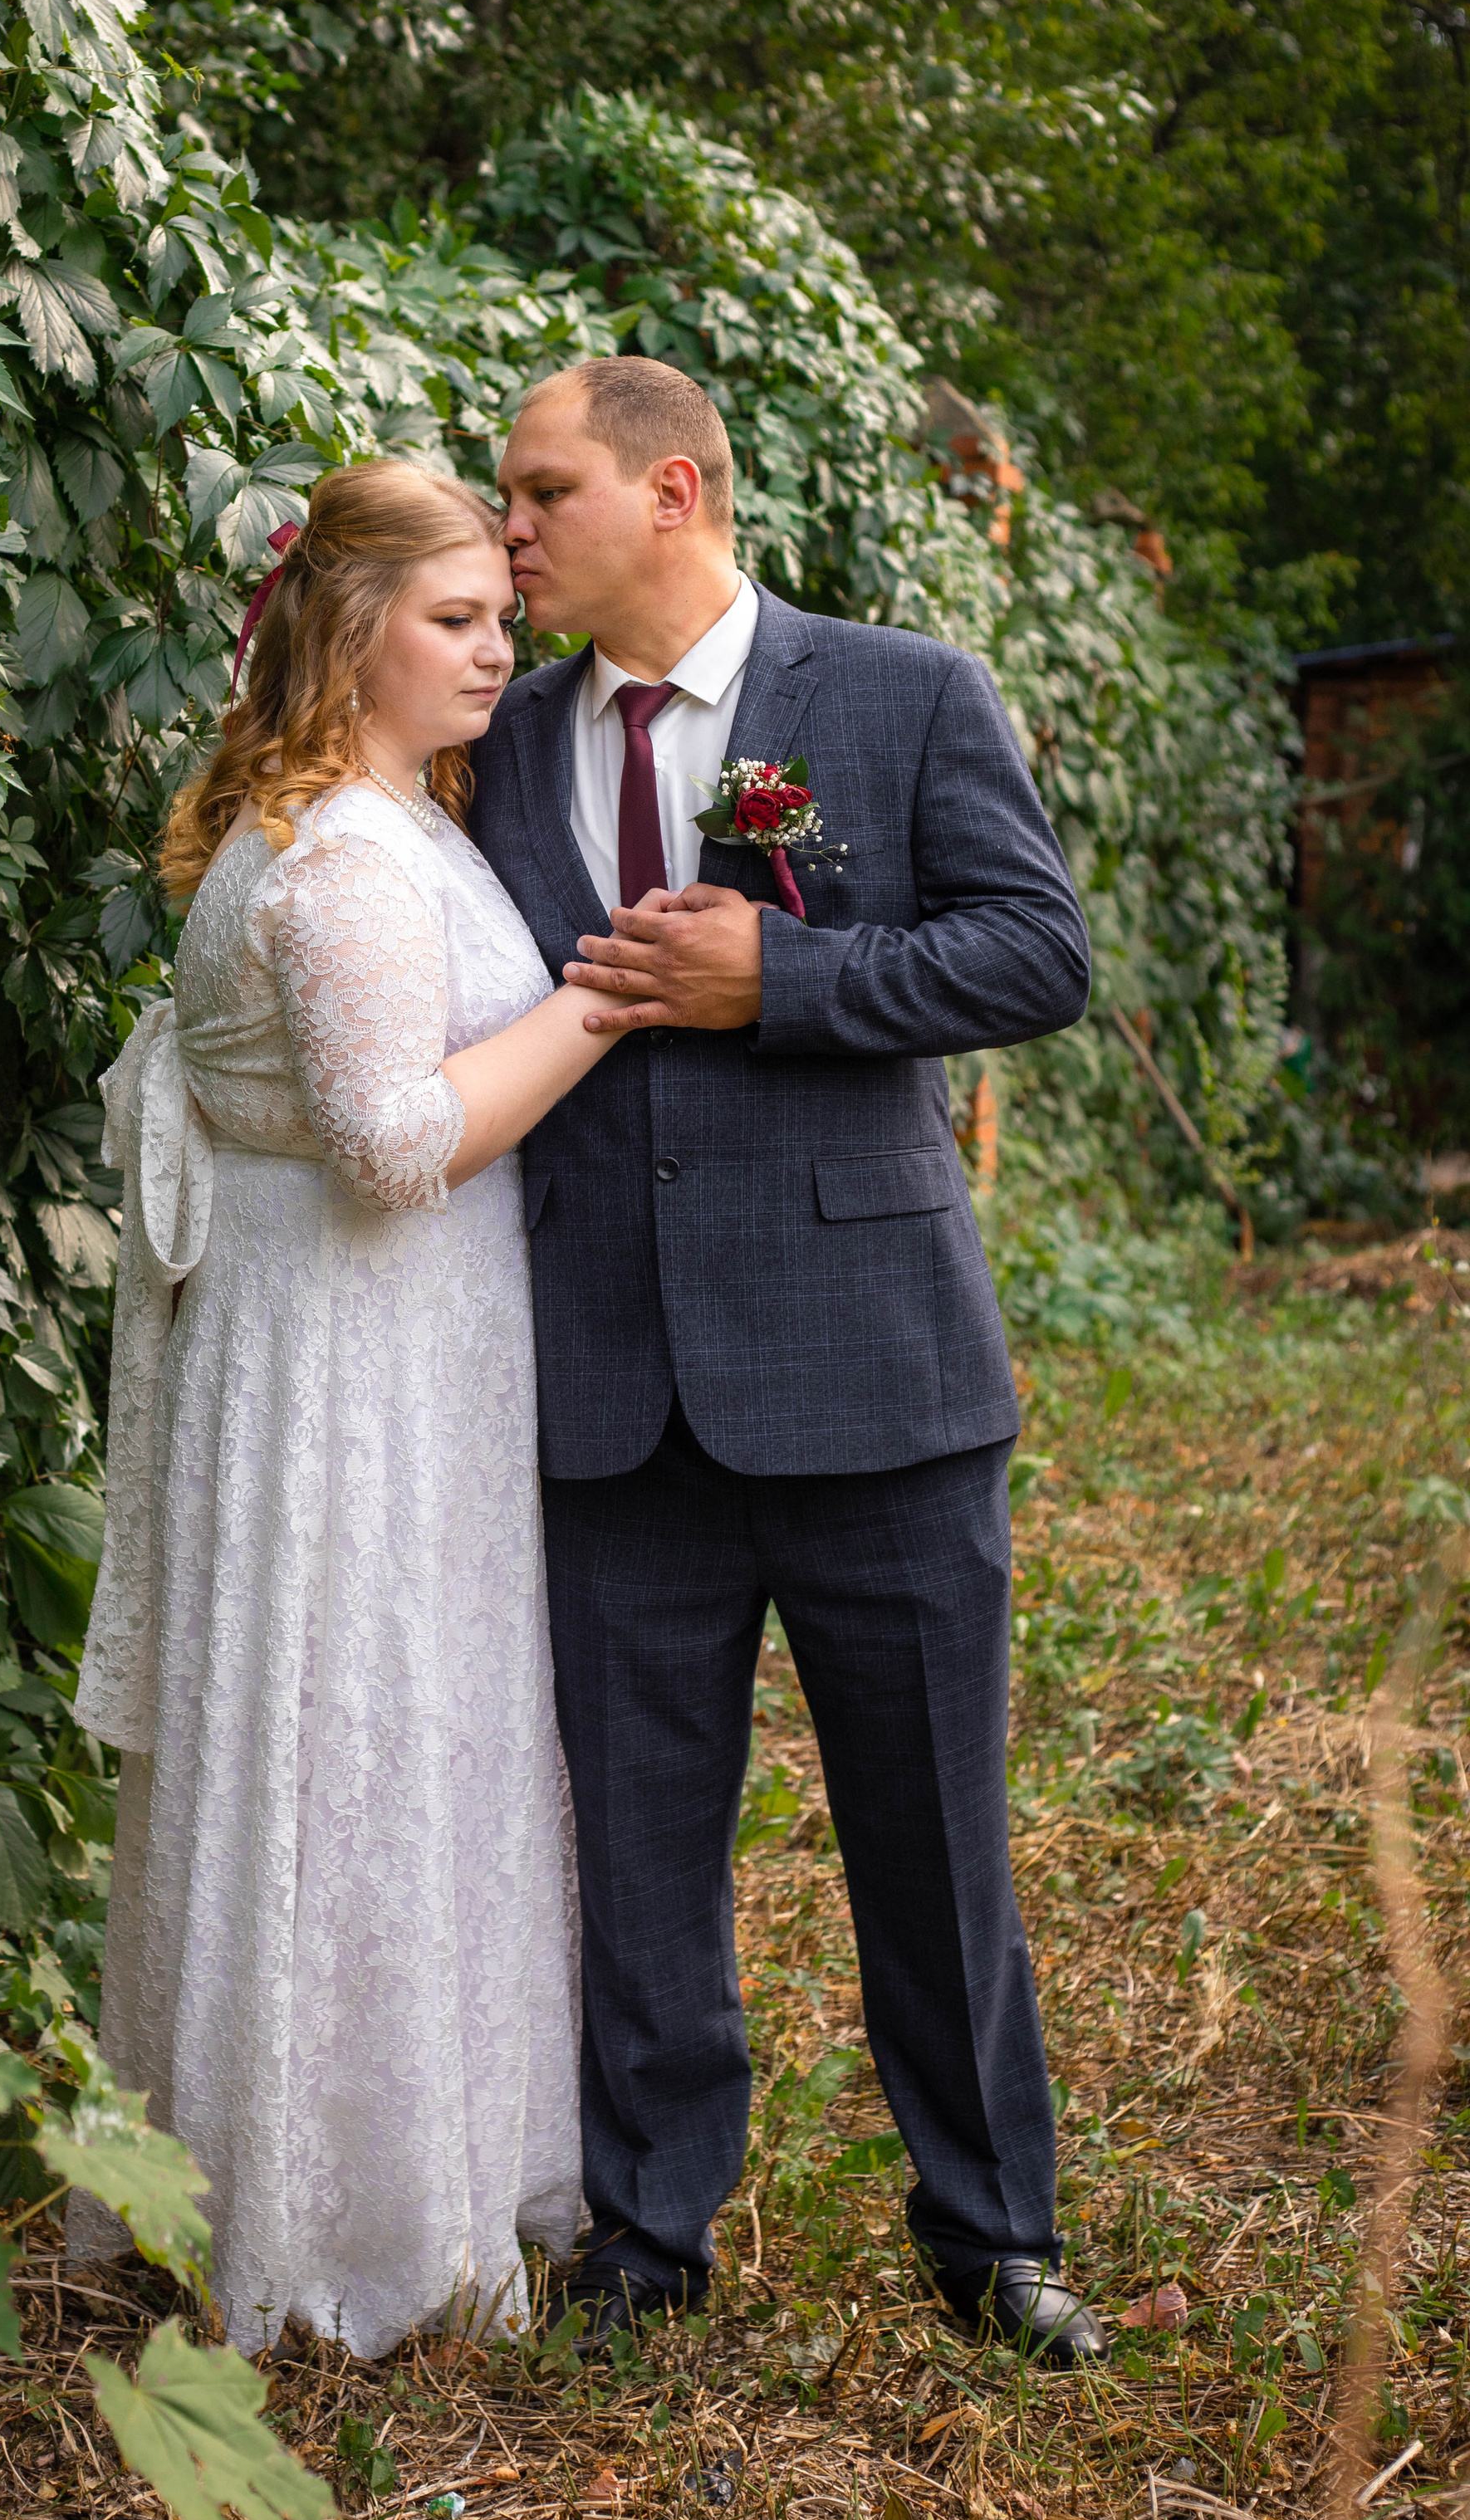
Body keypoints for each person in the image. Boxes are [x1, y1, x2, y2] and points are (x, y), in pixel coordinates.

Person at [467, 354, 1107, 2365]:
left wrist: (787, 977)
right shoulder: (489, 745)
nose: (510, 529)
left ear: (671, 490)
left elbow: (1036, 951)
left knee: (930, 1833)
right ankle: (645, 2241)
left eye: (540, 490)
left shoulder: (898, 694)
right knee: (632, 1846)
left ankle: (990, 2234)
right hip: (599, 1381)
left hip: (872, 1380)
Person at [73, 458, 635, 2357]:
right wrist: (601, 1003)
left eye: (502, 619)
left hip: (390, 1359)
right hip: (343, 1373)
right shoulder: (334, 856)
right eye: (455, 620)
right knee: (345, 1746)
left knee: (395, 1737)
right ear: (345, 629)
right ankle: (331, 2220)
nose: (498, 651)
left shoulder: (391, 816)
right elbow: (397, 1141)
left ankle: (387, 2162)